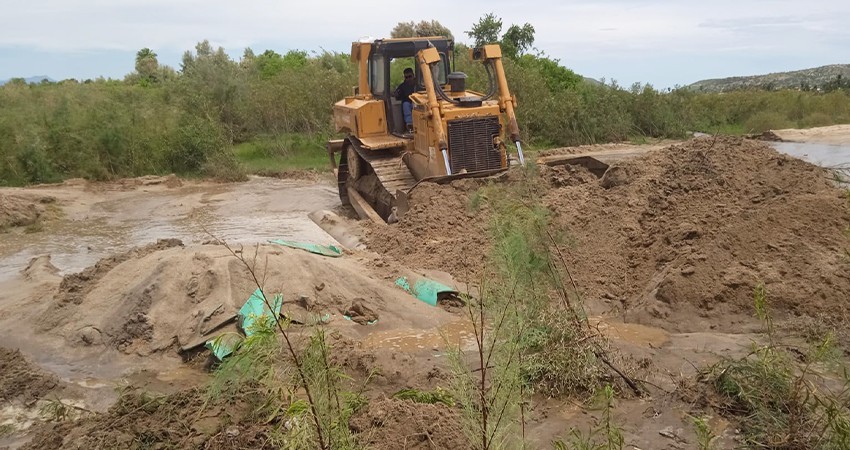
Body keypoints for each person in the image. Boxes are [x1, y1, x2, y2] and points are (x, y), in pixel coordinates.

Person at [393, 68, 416, 132]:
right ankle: (409, 124)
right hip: (408, 103)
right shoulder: (402, 86)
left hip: (419, 103)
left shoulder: (419, 83)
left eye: (410, 76)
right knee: (405, 105)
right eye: (406, 77)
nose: (408, 79)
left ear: (413, 75)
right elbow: (397, 95)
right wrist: (396, 94)